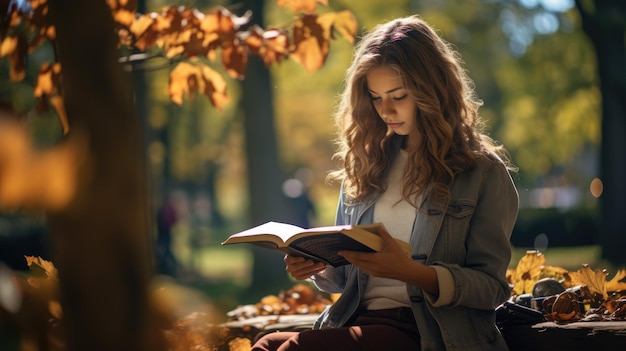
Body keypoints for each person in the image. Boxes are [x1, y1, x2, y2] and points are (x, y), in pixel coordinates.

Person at [251, 14, 518, 351]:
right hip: (357, 319)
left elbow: (491, 288)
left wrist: (412, 272)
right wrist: (316, 265)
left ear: (432, 89)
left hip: (428, 331)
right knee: (266, 345)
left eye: (399, 95)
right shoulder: (367, 163)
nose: (386, 110)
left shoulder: (481, 171)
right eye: (376, 98)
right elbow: (345, 278)